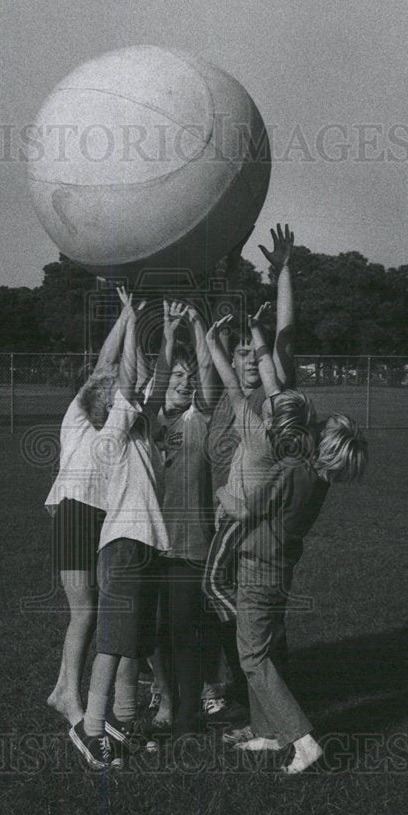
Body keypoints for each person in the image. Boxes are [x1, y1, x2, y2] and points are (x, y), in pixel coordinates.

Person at [205, 304, 368, 774]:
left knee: (252, 656)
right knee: (268, 648)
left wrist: (219, 490)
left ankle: (301, 739)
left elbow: (244, 508)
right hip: (279, 567)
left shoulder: (293, 471)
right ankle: (269, 732)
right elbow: (276, 387)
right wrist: (259, 332)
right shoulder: (315, 475)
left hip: (258, 567)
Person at [69, 298, 172, 770]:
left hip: (146, 543)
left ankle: (127, 722)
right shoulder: (109, 438)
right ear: (109, 407)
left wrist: (168, 336)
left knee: (135, 642)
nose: (129, 395)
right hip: (125, 545)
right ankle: (91, 731)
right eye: (118, 396)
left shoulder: (143, 434)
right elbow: (130, 380)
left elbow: (155, 383)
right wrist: (134, 322)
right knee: (113, 644)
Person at [202, 225, 298, 718]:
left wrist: (282, 272)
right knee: (226, 607)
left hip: (256, 522)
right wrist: (228, 268)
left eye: (248, 353)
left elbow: (283, 332)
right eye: (238, 353)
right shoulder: (228, 401)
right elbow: (213, 340)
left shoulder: (270, 398)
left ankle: (272, 701)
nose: (245, 358)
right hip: (222, 512)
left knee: (247, 612)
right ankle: (247, 698)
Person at [45, 285, 142, 727]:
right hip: (74, 512)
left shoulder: (117, 426)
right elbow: (106, 363)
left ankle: (67, 689)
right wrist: (126, 316)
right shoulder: (79, 418)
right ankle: (67, 691)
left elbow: (126, 373)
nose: (109, 391)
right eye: (101, 388)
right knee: (84, 610)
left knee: (99, 610)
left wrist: (134, 325)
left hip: (103, 519)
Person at [145, 300, 217, 739]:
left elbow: (208, 380)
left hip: (188, 545)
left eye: (188, 378)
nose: (185, 383)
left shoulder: (198, 421)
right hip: (146, 542)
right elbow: (153, 390)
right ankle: (167, 702)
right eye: (177, 376)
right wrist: (168, 340)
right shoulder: (149, 424)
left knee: (182, 632)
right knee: (154, 633)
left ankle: (189, 721)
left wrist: (196, 324)